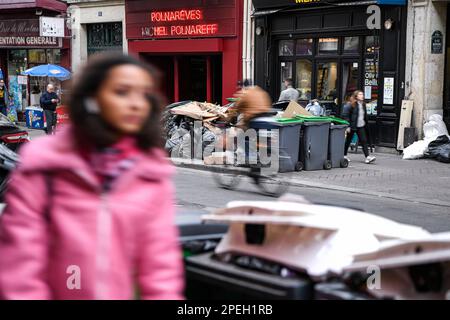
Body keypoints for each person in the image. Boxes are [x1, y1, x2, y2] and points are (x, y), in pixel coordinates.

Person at [0, 53, 184, 300]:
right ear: (91, 100)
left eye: (143, 94)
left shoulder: (151, 173)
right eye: (121, 92)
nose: (135, 103)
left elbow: (160, 268)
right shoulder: (44, 167)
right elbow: (20, 264)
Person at [342, 90, 376, 164]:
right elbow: (345, 115)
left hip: (361, 126)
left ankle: (367, 157)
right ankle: (344, 155)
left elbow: (364, 116)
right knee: (348, 141)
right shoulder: (351, 104)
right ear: (356, 96)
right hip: (352, 126)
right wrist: (348, 126)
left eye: (362, 94)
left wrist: (365, 124)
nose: (362, 96)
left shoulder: (363, 104)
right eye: (360, 94)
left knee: (364, 141)